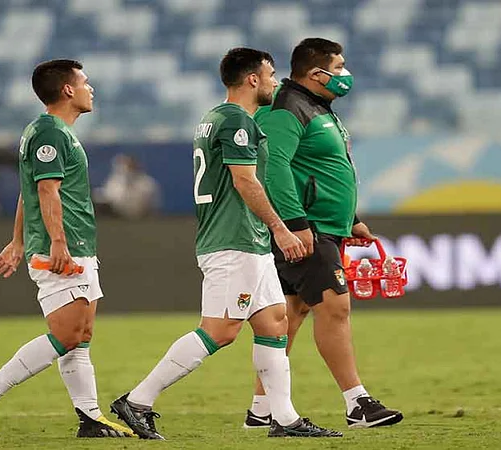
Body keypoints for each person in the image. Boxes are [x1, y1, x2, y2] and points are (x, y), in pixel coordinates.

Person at [109, 48, 342, 440]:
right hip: (234, 240)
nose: (275, 82)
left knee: (274, 323)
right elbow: (245, 180)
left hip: (247, 242)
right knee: (220, 330)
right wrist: (281, 229)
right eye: (270, 74)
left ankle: (284, 419)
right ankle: (137, 400)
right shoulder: (237, 121)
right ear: (252, 79)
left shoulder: (213, 118)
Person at [0, 59, 134, 441]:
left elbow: (30, 189)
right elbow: (45, 190)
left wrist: (18, 240)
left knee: (80, 335)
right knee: (67, 334)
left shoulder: (52, 131)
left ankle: (90, 417)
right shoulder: (50, 132)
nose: (90, 88)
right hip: (61, 249)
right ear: (68, 89)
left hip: (75, 245)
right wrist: (57, 242)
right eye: (85, 82)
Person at [243, 38, 404, 429]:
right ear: (317, 74)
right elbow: (276, 168)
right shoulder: (286, 108)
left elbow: (323, 169)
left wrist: (350, 219)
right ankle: (357, 403)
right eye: (339, 67)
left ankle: (261, 409)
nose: (344, 74)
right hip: (307, 227)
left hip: (323, 225)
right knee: (335, 307)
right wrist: (296, 224)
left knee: (290, 314)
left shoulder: (315, 107)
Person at [94, 154, 161, 219]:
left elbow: (153, 207)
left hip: (139, 217)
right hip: (115, 216)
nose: (127, 169)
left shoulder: (147, 184)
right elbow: (109, 197)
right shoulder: (115, 181)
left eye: (130, 166)